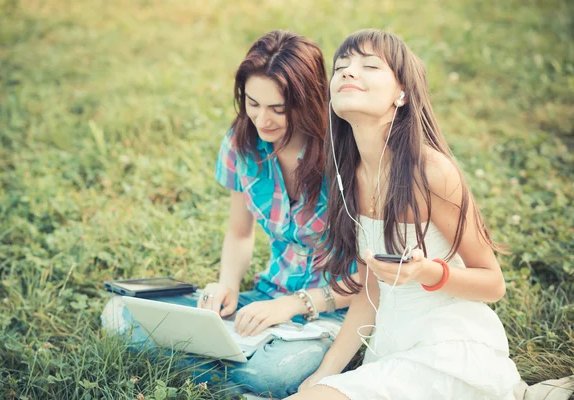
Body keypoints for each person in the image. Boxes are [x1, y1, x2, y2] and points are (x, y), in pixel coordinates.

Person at [101, 30, 356, 398]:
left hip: (332, 312)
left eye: (278, 109)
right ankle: (236, 368)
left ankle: (222, 364)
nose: (262, 120)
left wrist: (293, 305)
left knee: (275, 375)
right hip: (265, 299)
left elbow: (371, 279)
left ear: (308, 99)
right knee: (118, 315)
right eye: (253, 103)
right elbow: (239, 233)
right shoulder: (242, 144)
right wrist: (228, 286)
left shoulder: (346, 155)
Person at [289, 29, 521, 400]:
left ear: (402, 93)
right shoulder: (348, 174)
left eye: (369, 65)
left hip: (449, 348)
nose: (349, 72)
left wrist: (426, 271)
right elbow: (370, 294)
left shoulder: (431, 171)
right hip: (391, 350)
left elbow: (493, 283)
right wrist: (324, 372)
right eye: (341, 66)